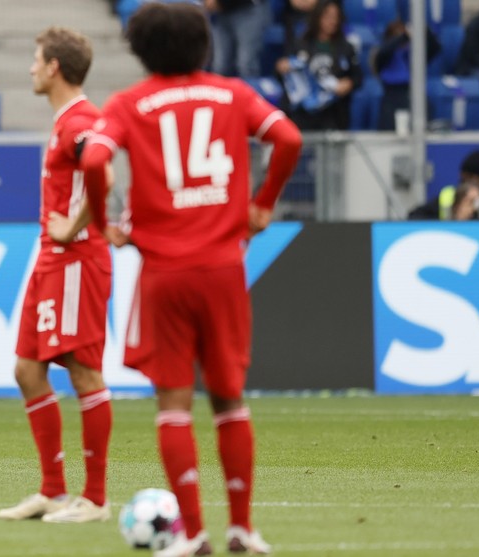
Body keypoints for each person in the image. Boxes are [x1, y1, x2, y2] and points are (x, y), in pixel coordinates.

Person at [81, 3, 302, 555]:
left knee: (174, 407)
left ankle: (195, 533)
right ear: (204, 44)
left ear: (140, 50)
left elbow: (93, 160)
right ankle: (243, 529)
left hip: (165, 273)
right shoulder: (234, 93)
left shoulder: (130, 104)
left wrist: (108, 221)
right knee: (230, 401)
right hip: (224, 268)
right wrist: (262, 206)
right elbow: (289, 139)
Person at [0, 26, 114, 524]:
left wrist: (76, 223)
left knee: (84, 371)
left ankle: (96, 499)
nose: (29, 68)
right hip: (51, 261)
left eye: (36, 59)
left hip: (75, 260)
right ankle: (52, 490)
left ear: (54, 68)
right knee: (26, 369)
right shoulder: (65, 121)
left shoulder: (81, 120)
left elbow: (103, 172)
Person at [275, 0, 363, 130]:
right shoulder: (300, 44)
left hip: (333, 112)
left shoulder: (346, 47)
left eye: (336, 17)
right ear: (317, 17)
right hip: (303, 113)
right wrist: (281, 67)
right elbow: (283, 74)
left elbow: (357, 76)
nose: (332, 21)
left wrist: (348, 83)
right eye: (327, 16)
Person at [408, 149, 479, 220]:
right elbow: (415, 216)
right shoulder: (449, 194)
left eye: (471, 177)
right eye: (471, 202)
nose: (468, 181)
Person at [374, 20, 441, 131]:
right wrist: (404, 36)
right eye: (396, 34)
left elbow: (436, 48)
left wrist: (424, 28)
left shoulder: (414, 55)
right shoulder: (383, 55)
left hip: (414, 94)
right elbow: (385, 51)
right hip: (392, 97)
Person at [204, 0, 271, 78]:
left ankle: (247, 89)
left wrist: (219, 2)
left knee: (246, 65)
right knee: (220, 66)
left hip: (247, 10)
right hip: (220, 14)